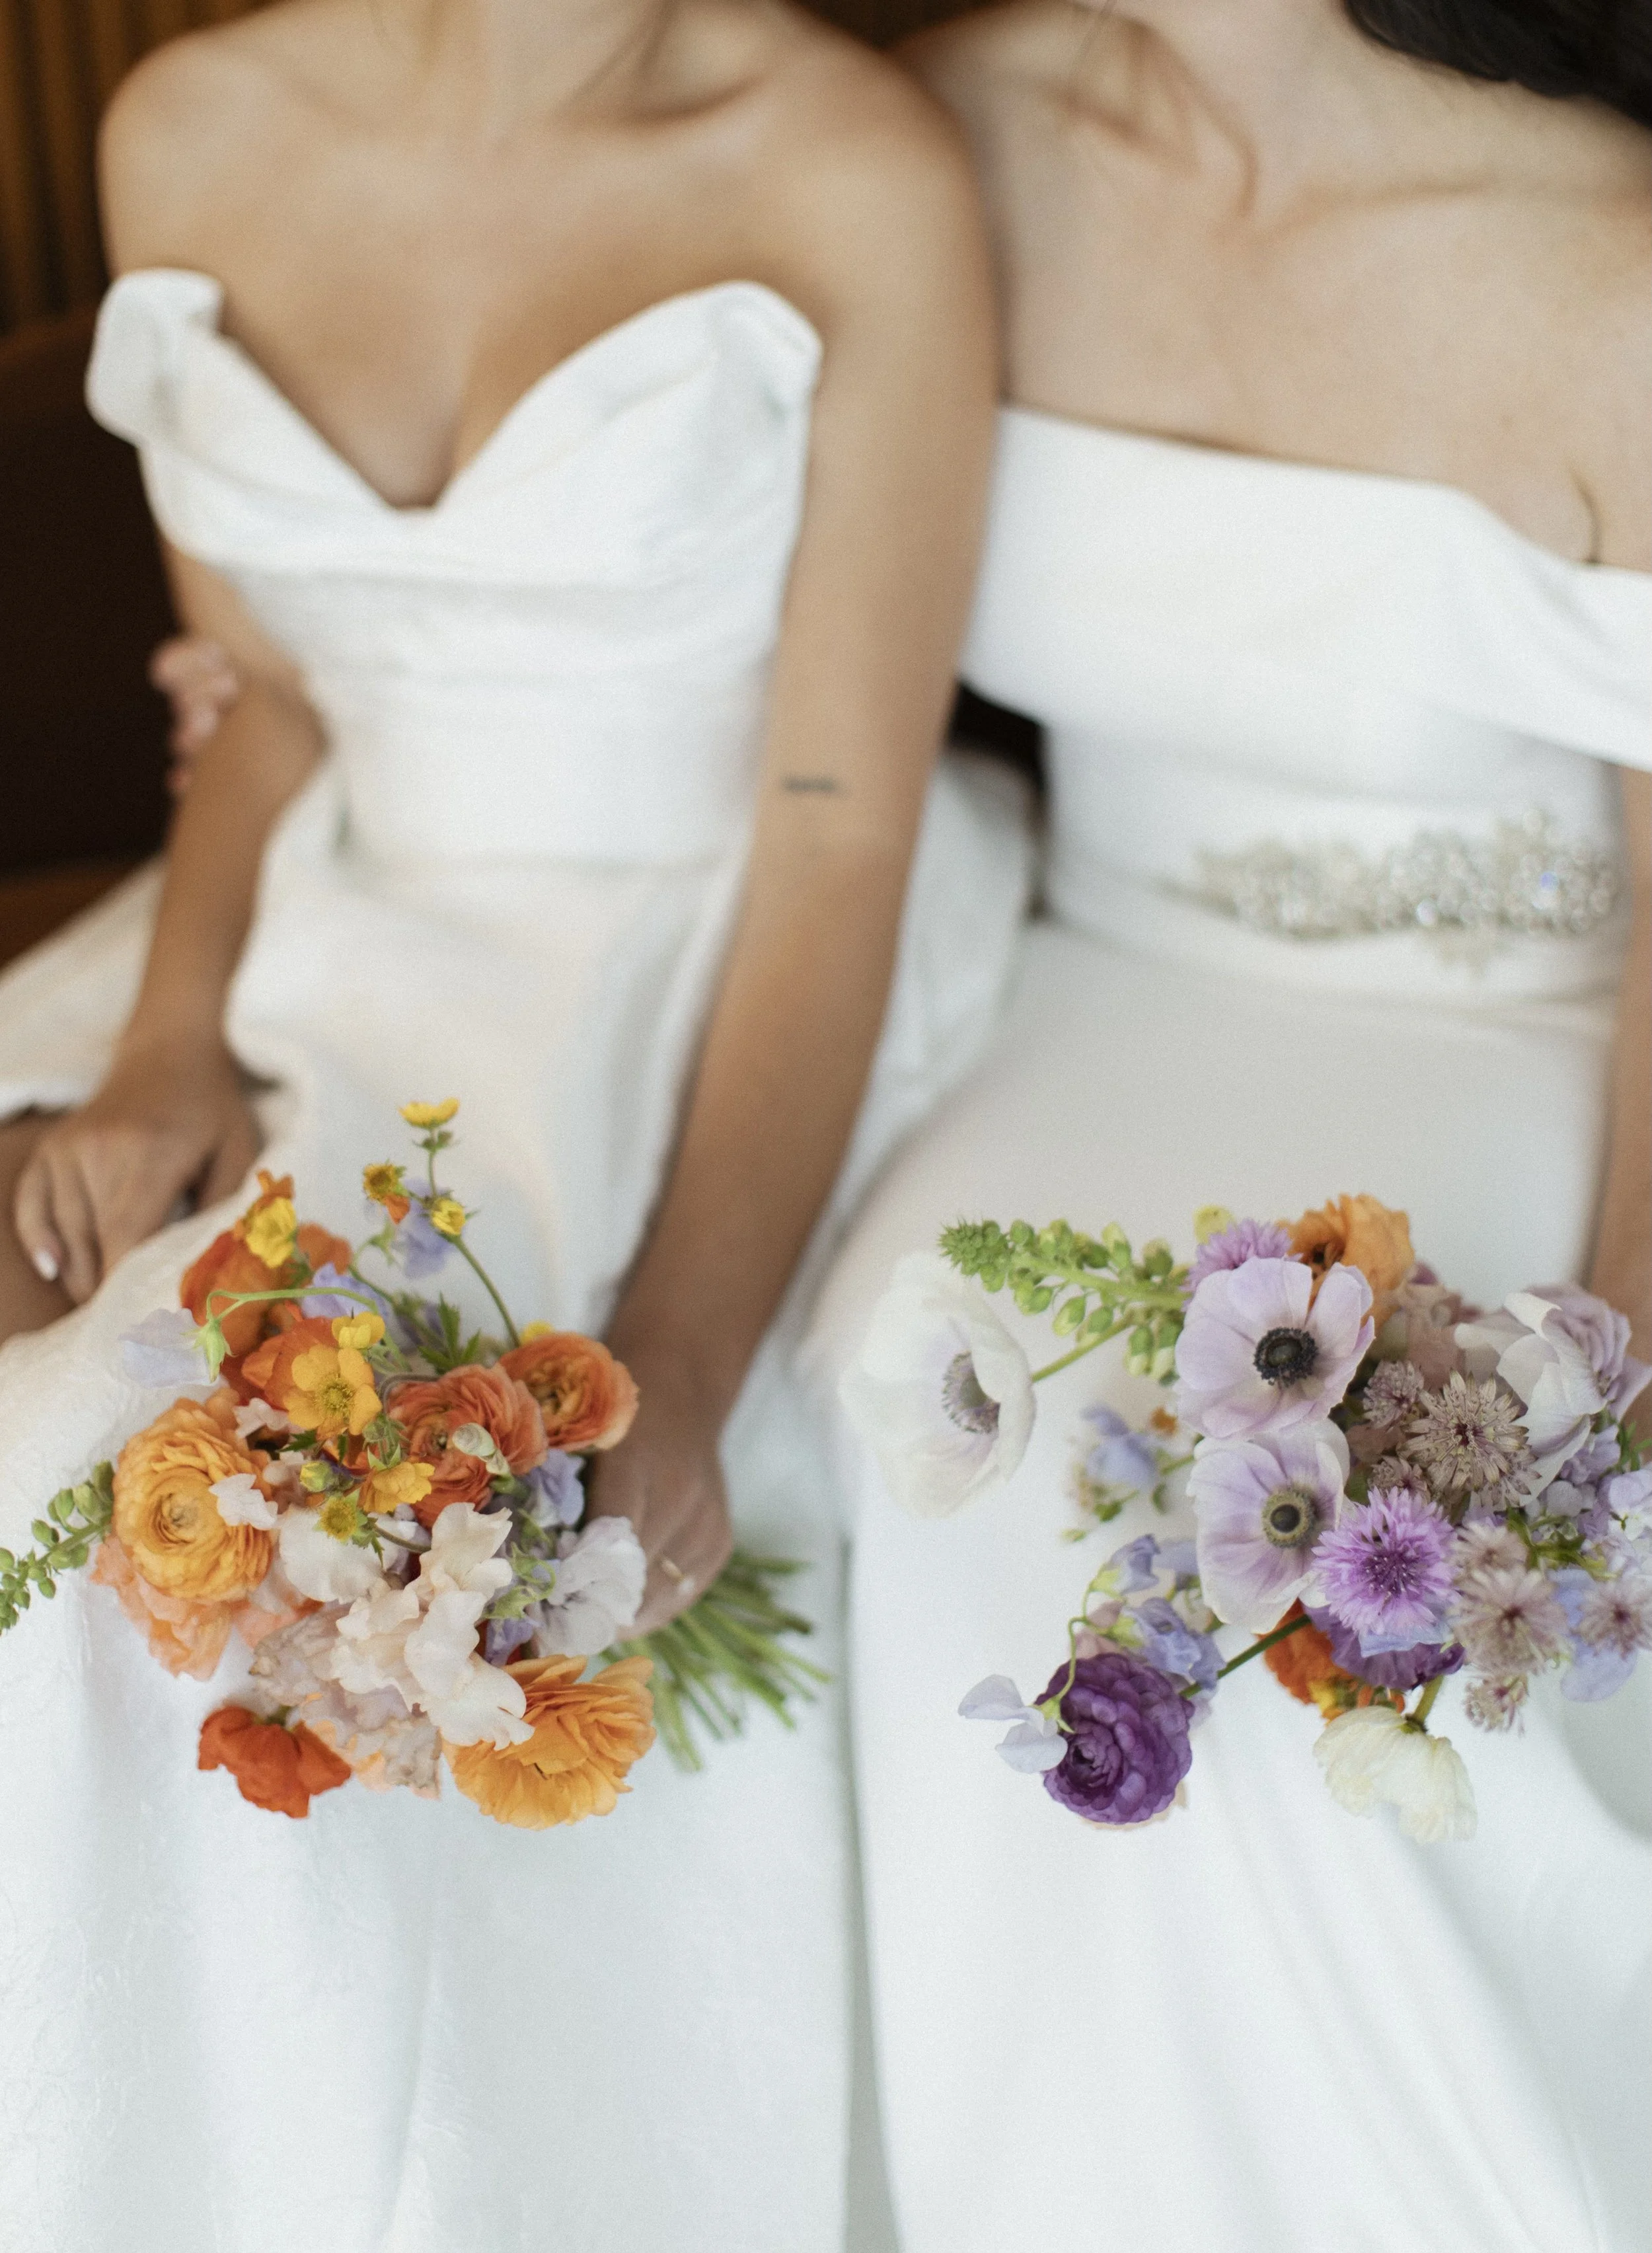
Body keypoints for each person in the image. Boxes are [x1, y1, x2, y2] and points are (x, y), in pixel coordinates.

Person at [0, 0, 1032, 2242]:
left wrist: (680, 1338)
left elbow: (835, 830)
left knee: (443, 1507)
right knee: (66, 1447)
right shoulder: (190, 125)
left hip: (724, 943)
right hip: (322, 919)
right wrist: (169, 1043)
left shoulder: (848, 170)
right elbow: (258, 693)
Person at [806, 0, 1652, 2244]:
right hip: (1089, 971)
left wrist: (1618, 1355)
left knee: (1280, 1576)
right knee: (904, 1405)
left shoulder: (1611, 255)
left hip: (1524, 1029)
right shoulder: (938, 130)